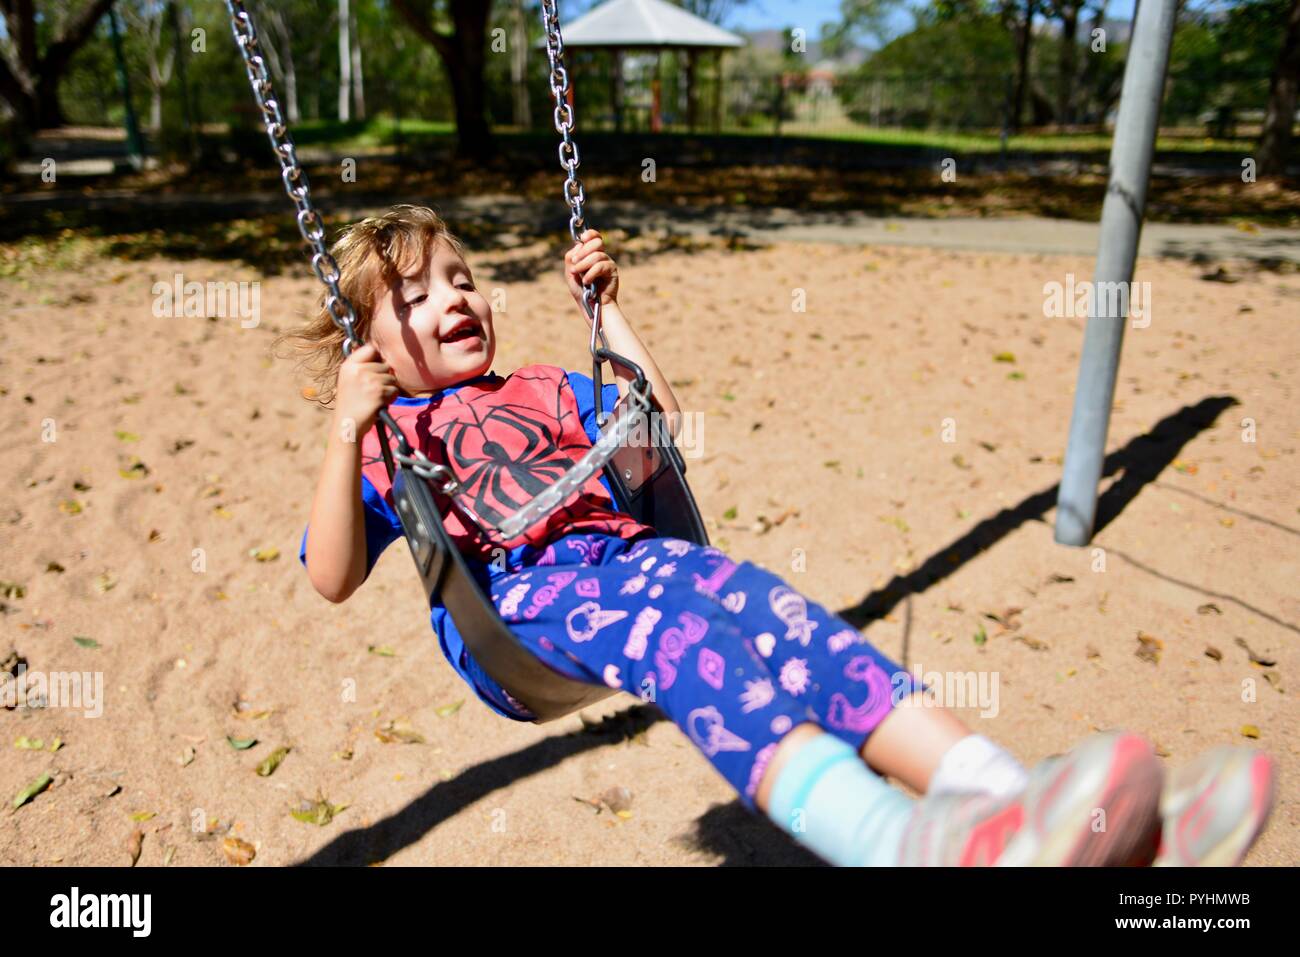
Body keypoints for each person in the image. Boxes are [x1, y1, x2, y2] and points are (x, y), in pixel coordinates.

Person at [291, 205, 1274, 866]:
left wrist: (608, 315)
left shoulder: (545, 384)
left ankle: (1021, 807)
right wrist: (346, 425)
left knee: (790, 625)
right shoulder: (382, 435)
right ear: (364, 345)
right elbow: (332, 577)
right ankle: (901, 842)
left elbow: (655, 433)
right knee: (692, 651)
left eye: (462, 278)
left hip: (641, 562)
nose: (453, 299)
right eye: (414, 298)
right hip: (526, 610)